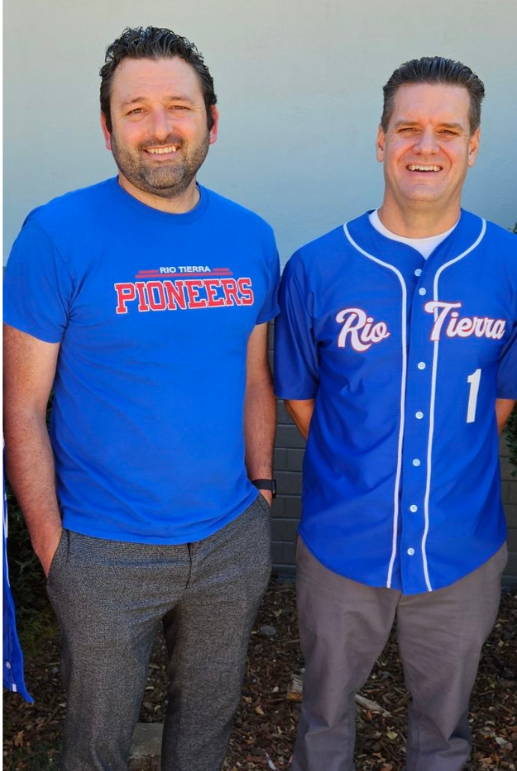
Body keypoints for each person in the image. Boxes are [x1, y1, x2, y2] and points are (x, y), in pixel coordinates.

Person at [3, 26, 280, 771]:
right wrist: (52, 547)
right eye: (136, 110)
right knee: (96, 745)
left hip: (229, 540)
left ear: (211, 121)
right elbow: (21, 406)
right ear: (107, 129)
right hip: (102, 550)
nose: (160, 129)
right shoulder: (55, 235)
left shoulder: (251, 237)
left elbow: (256, 376)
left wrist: (261, 490)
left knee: (205, 732)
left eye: (178, 107)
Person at [273, 56, 517, 771]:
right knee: (326, 716)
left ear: (473, 144)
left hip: (462, 547)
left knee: (444, 727)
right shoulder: (317, 264)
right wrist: (363, 462)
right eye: (409, 128)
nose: (426, 146)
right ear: (380, 139)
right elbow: (302, 395)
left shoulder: (515, 265)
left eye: (447, 130)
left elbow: (501, 399)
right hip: (342, 543)